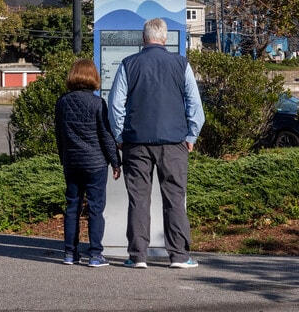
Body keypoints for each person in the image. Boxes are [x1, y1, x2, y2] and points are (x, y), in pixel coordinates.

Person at [107, 18, 205, 269]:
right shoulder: (181, 64)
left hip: (136, 142)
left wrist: (120, 137)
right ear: (165, 39)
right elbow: (195, 106)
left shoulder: (129, 64)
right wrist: (191, 136)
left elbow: (115, 106)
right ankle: (180, 256)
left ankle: (137, 255)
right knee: (174, 198)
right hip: (174, 142)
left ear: (143, 38)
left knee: (138, 199)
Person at [54, 58, 121, 267]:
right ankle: (95, 254)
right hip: (95, 163)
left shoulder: (62, 102)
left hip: (71, 163)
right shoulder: (97, 103)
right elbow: (106, 136)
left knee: (72, 206)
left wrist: (63, 157)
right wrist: (116, 162)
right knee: (95, 209)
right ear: (93, 77)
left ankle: (69, 253)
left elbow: (59, 135)